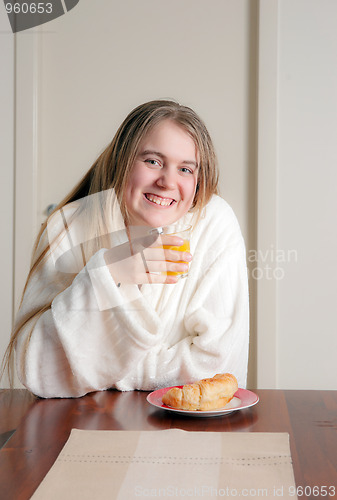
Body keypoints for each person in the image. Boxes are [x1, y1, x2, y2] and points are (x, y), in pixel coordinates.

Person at [1, 99, 249, 398]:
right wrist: (111, 272)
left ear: (199, 180)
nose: (167, 181)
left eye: (185, 169)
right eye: (153, 161)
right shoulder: (68, 227)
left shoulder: (214, 224)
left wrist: (102, 370)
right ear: (123, 159)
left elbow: (218, 368)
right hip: (81, 424)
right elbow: (35, 367)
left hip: (187, 426)